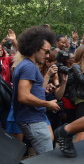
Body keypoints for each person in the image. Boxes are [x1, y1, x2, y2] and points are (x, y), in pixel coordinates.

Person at [12, 26, 60, 155]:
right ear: (34, 48)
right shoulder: (28, 67)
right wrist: (47, 104)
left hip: (34, 118)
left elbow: (29, 92)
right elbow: (23, 96)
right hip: (32, 120)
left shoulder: (27, 65)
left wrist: (43, 91)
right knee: (47, 159)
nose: (48, 55)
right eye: (46, 51)